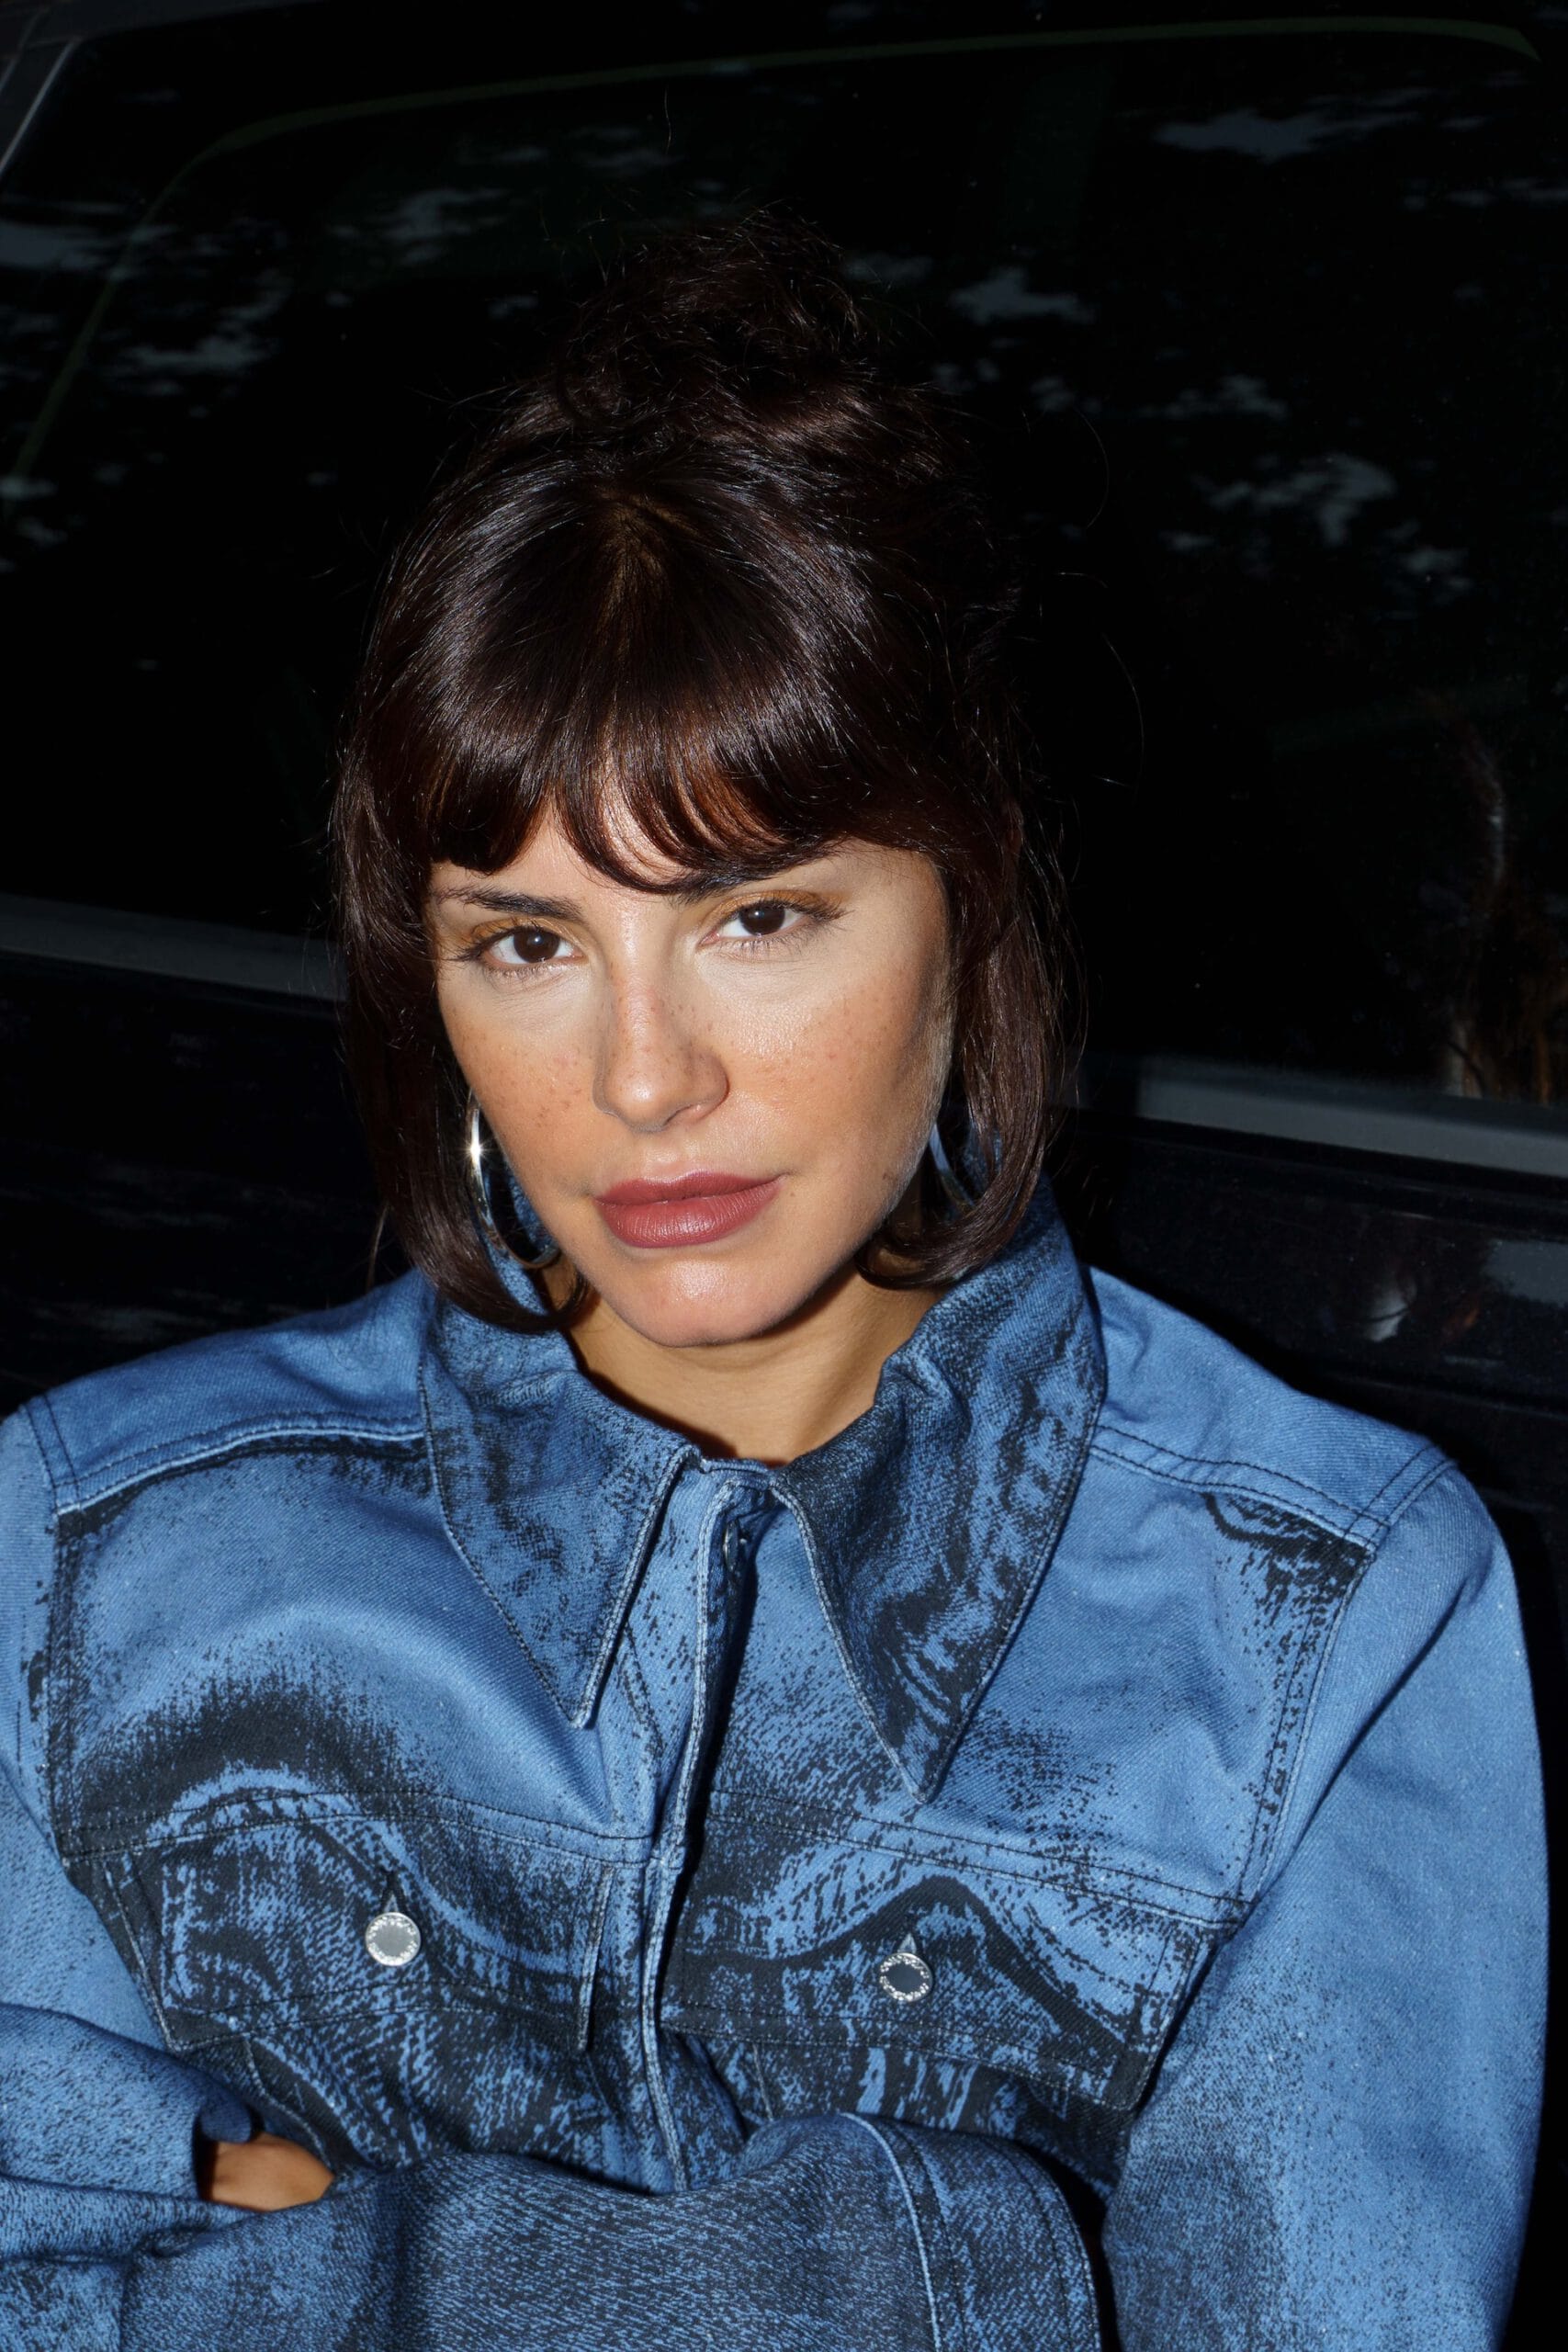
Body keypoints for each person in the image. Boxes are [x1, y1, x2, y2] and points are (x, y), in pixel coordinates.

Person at [0, 219, 1544, 2349]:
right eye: (525, 941)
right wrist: (956, 2275)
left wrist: (312, 2241)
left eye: (755, 916)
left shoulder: (1314, 1612)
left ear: (966, 910)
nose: (643, 1079)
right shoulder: (98, 1549)